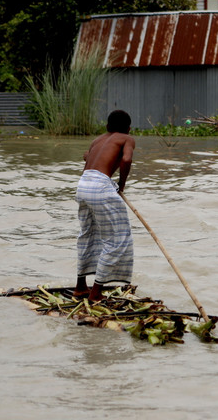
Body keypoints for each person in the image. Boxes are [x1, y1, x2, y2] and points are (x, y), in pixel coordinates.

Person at [73, 110, 136, 302]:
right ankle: (96, 292)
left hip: (83, 185)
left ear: (107, 127)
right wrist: (122, 183)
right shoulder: (127, 138)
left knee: (87, 234)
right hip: (100, 186)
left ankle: (80, 286)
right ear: (128, 128)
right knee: (117, 239)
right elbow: (126, 159)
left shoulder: (97, 140)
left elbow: (88, 156)